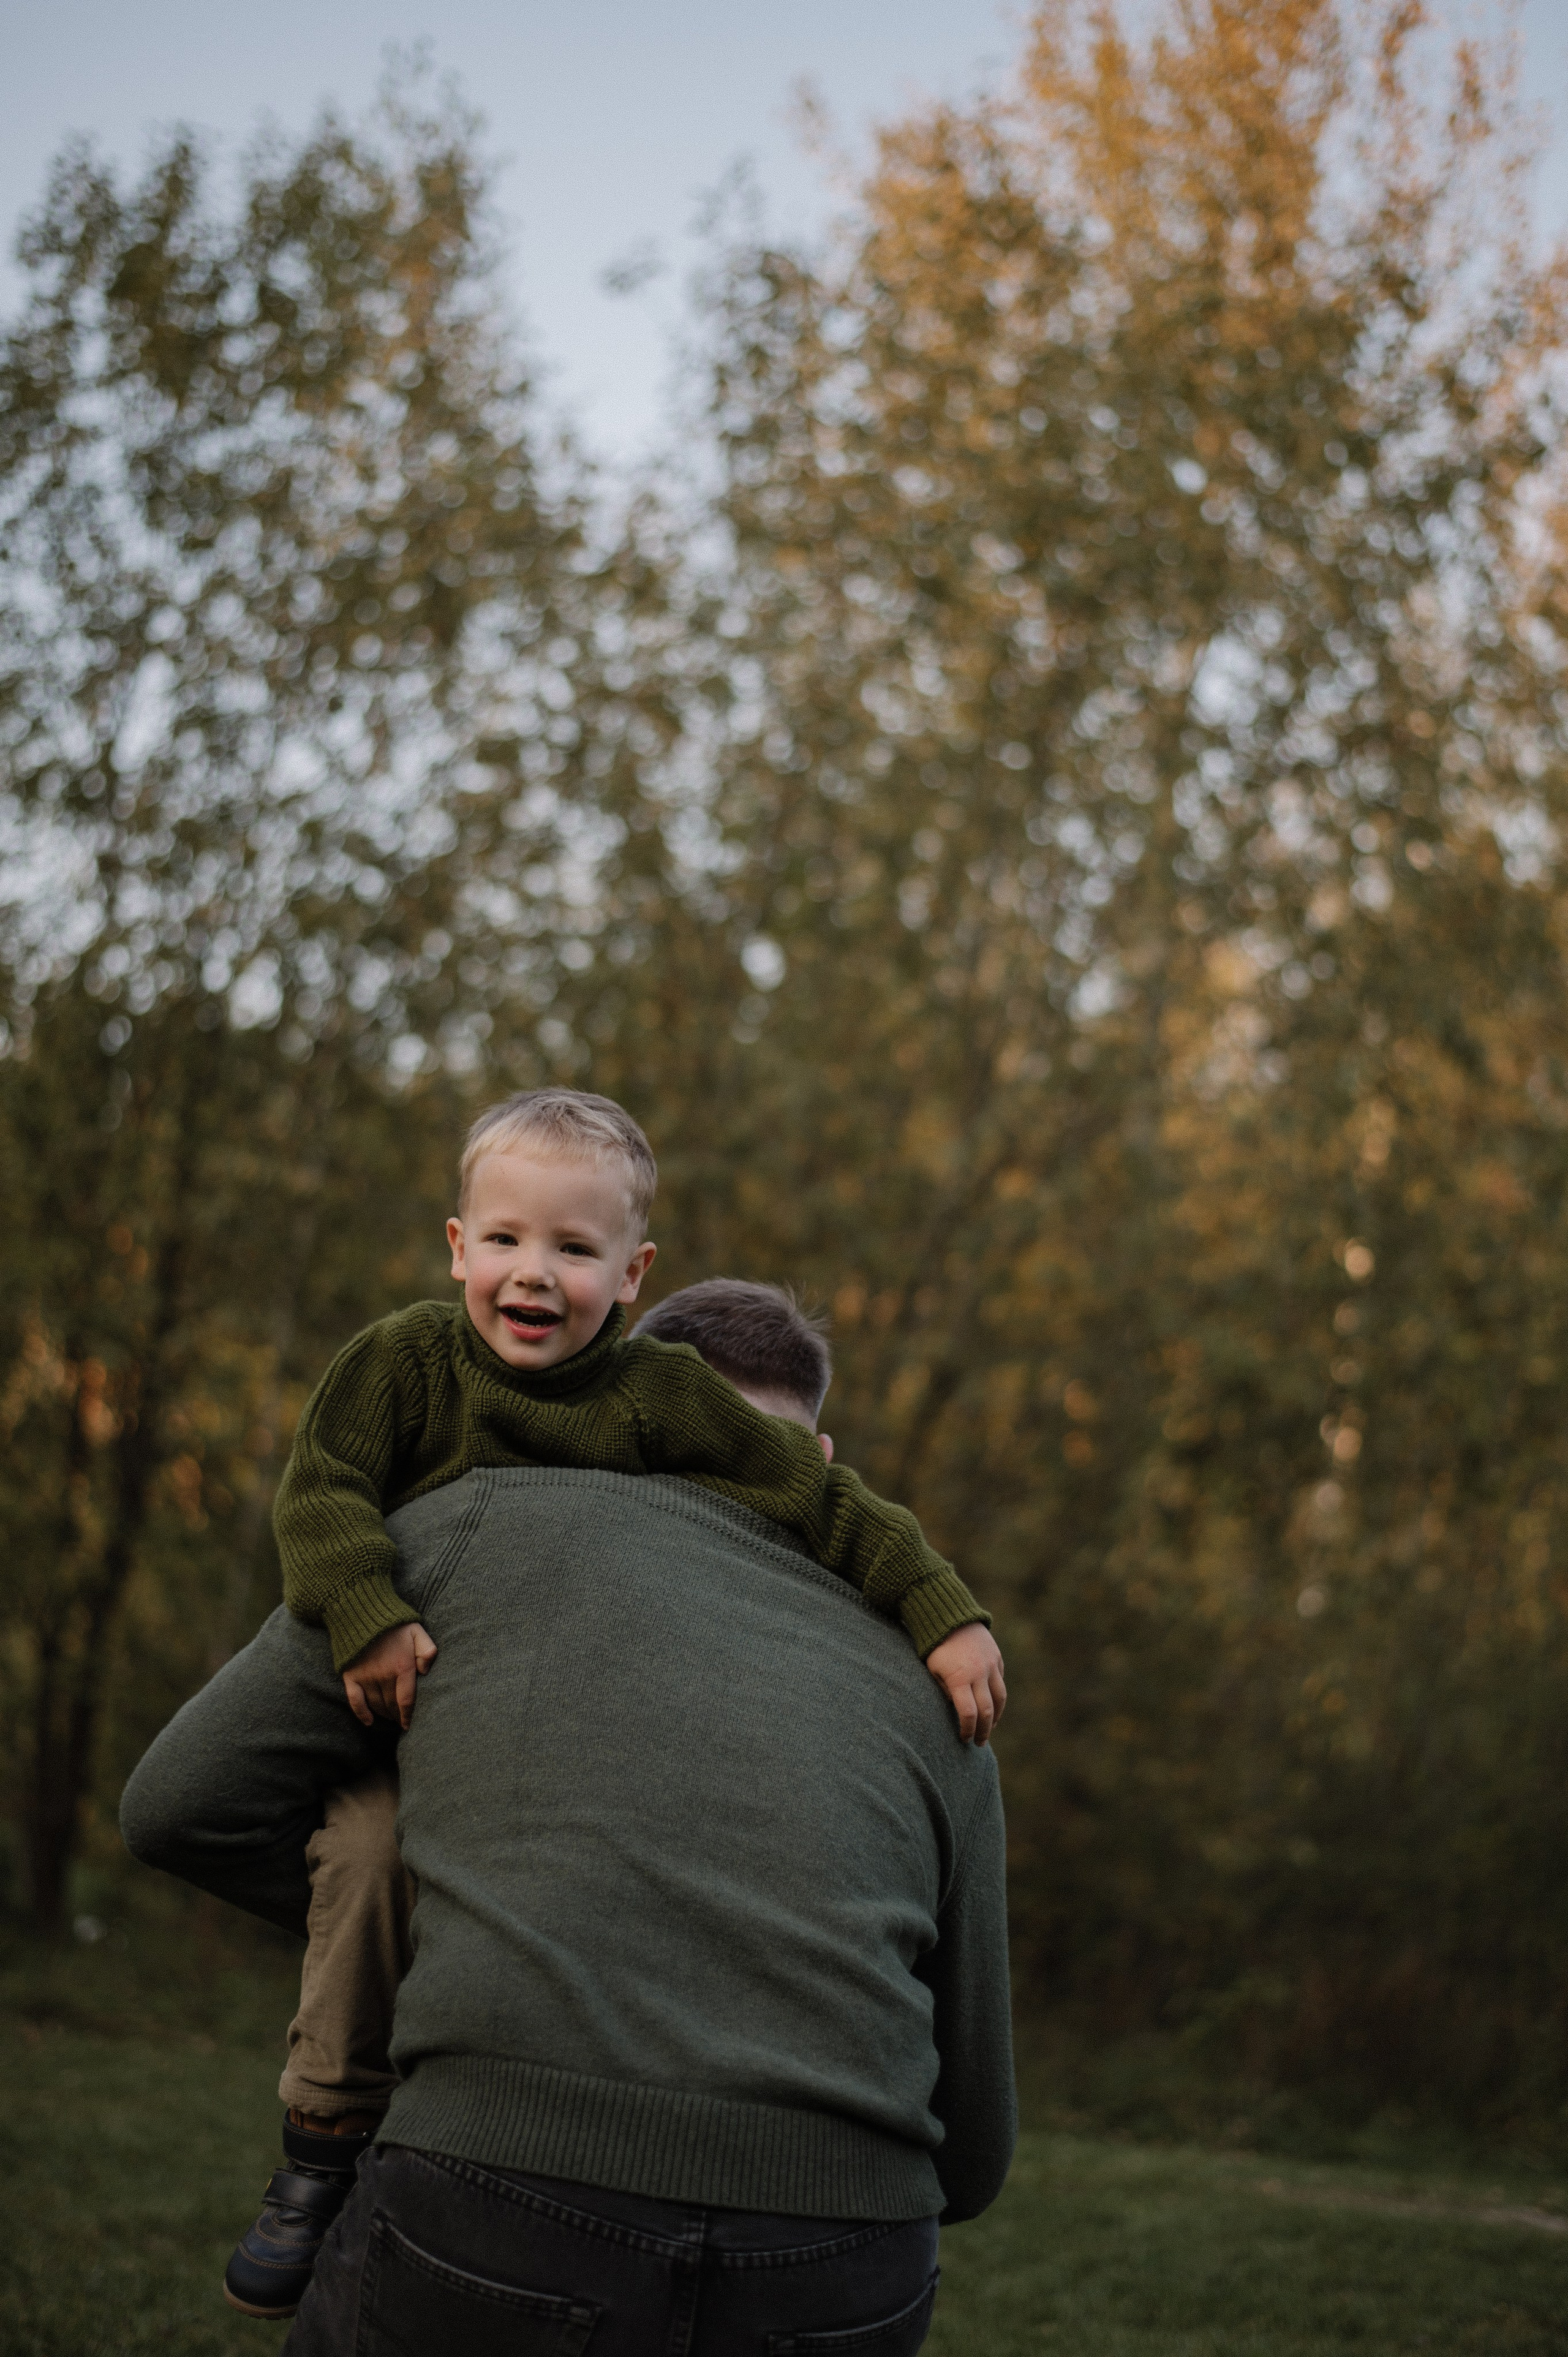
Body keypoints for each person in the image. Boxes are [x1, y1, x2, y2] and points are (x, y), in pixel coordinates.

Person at [195, 1087, 1006, 2317]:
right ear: (458, 1246)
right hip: (393, 1708)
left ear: (630, 1280)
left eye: (573, 1250)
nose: (535, 1273)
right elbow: (320, 1493)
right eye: (508, 1240)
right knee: (366, 1849)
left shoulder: (651, 1406)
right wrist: (366, 1612)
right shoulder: (405, 1373)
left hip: (515, 2144)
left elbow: (825, 1504)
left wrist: (945, 1609)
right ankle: (316, 2146)